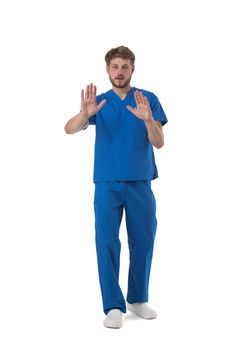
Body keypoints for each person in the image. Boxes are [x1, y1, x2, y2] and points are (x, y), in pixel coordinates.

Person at [64, 46, 168, 329]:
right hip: (108, 182)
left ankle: (138, 298)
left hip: (140, 181)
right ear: (107, 70)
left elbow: (158, 142)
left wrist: (148, 121)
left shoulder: (147, 99)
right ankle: (112, 305)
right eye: (115, 67)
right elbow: (69, 128)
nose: (119, 71)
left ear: (133, 69)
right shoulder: (99, 102)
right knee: (107, 242)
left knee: (143, 242)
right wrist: (85, 116)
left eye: (125, 66)